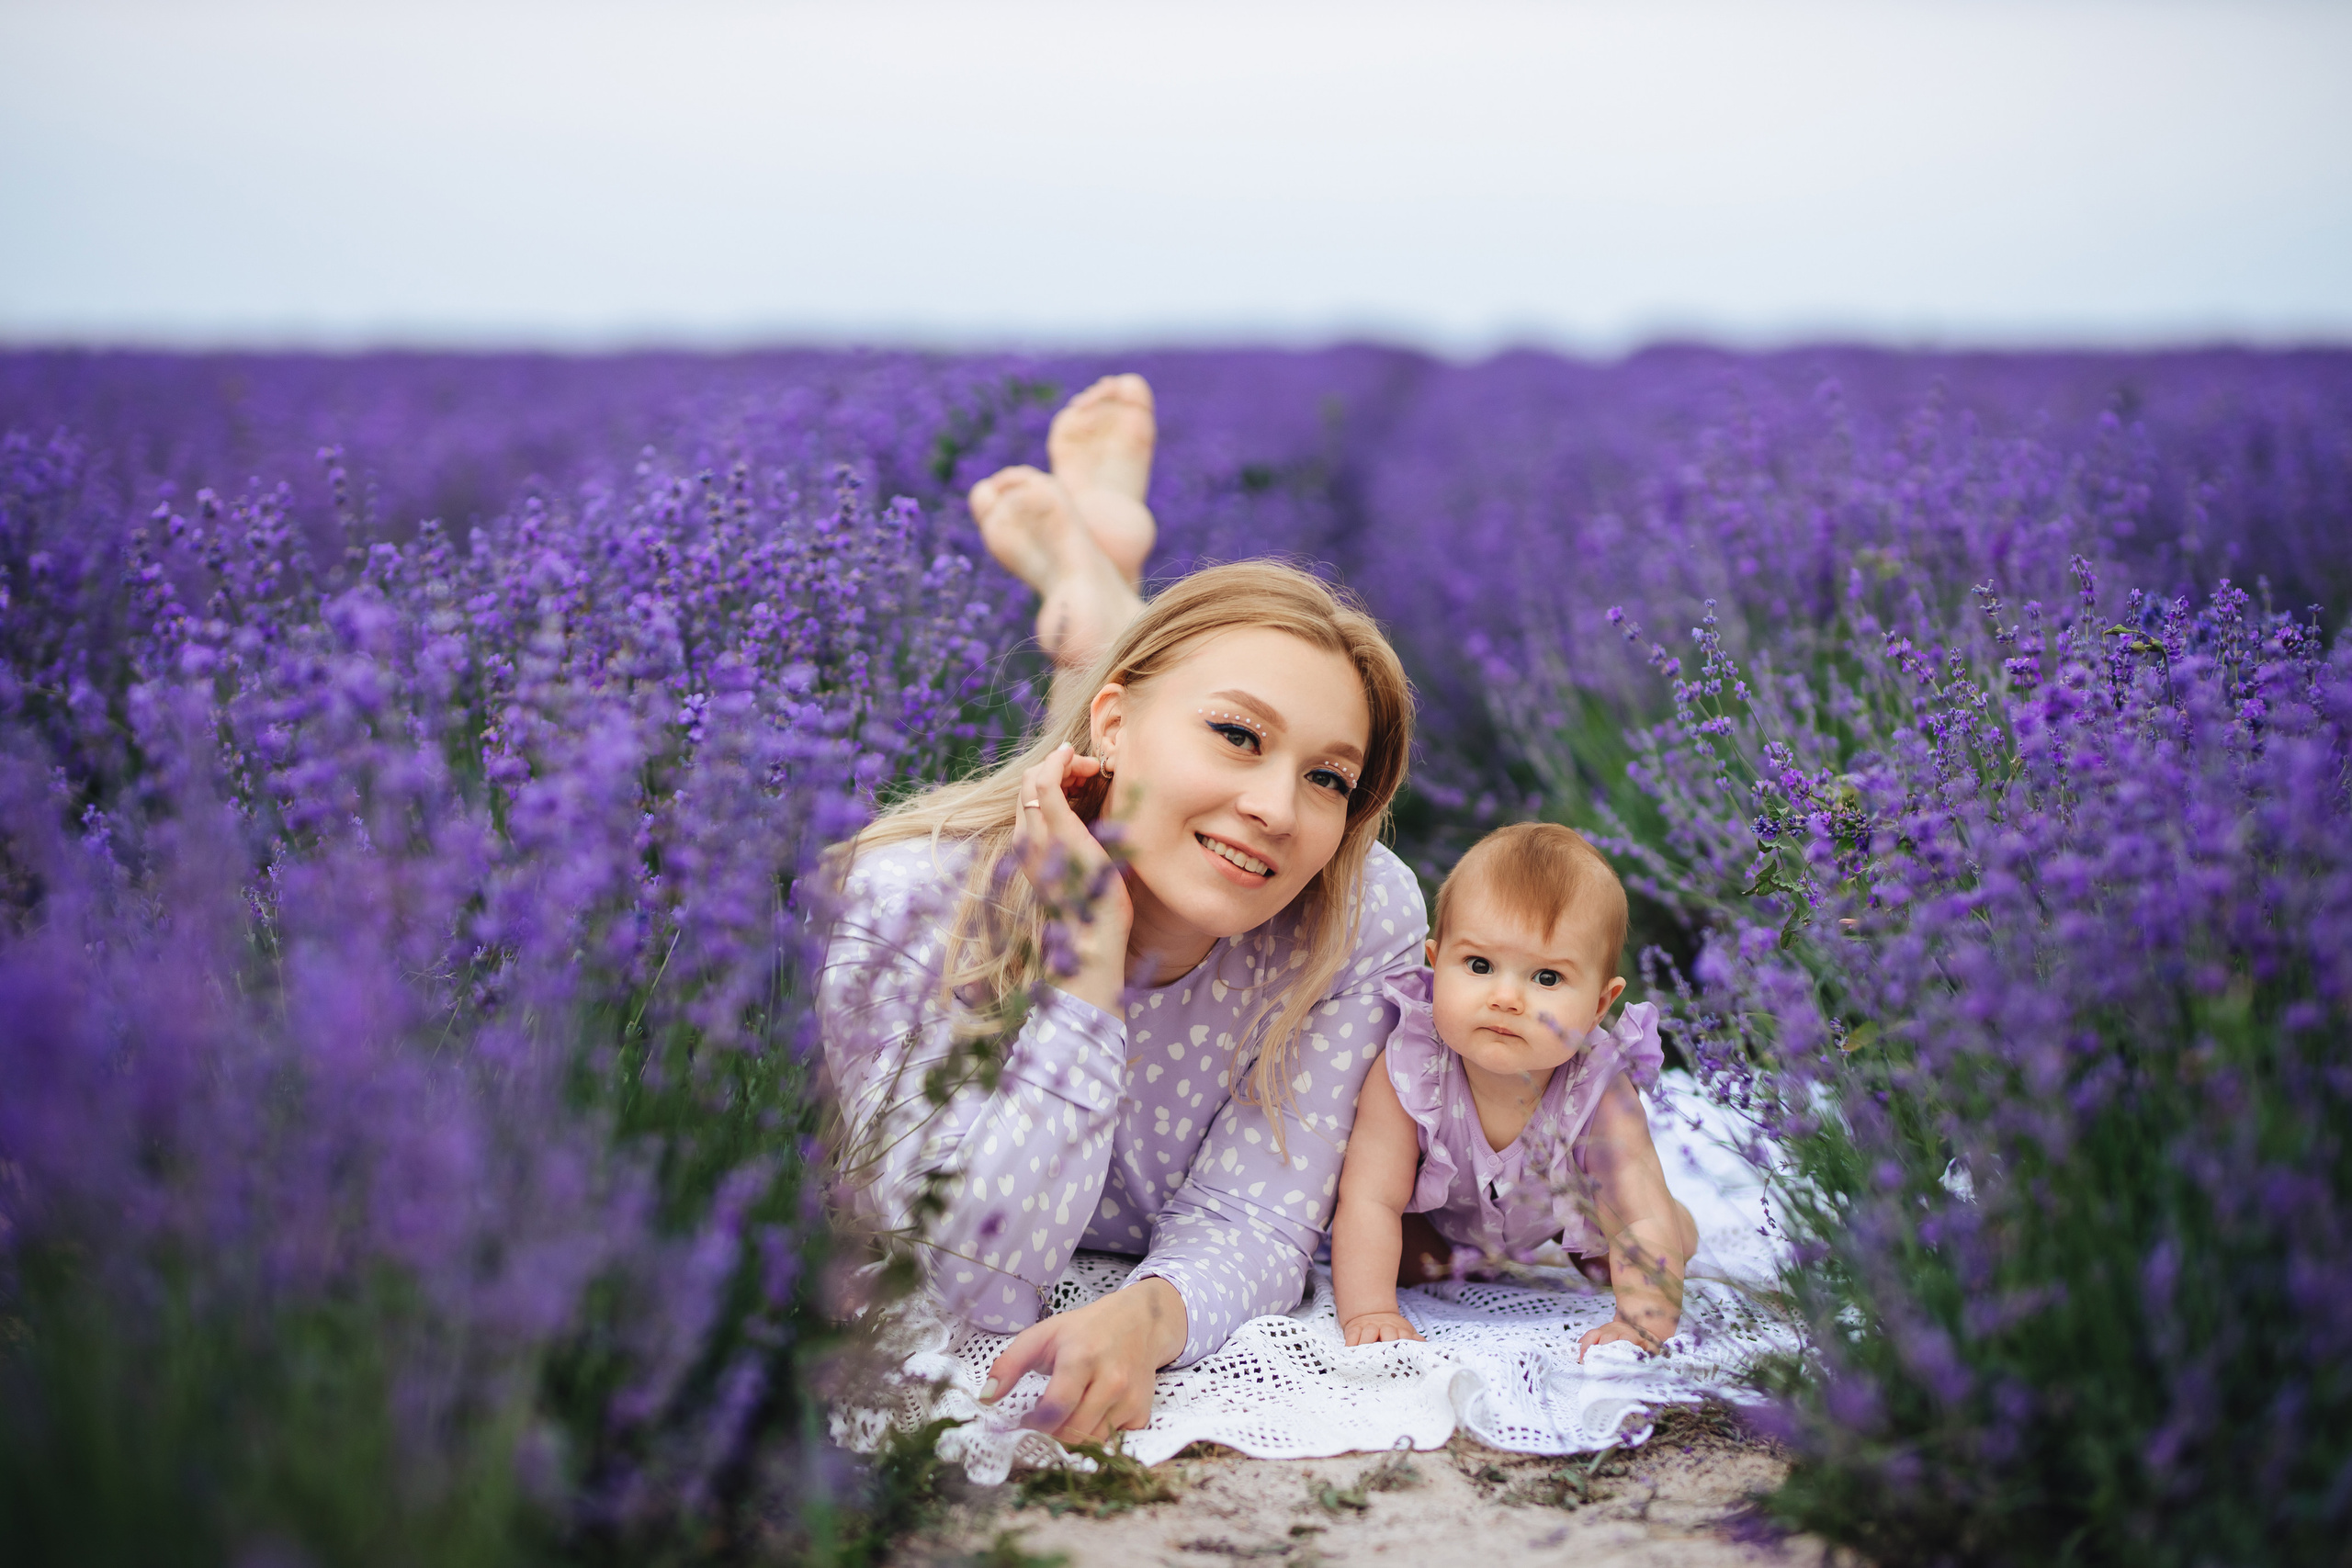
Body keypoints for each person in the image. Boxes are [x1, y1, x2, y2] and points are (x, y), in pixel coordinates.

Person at [820, 375, 1425, 1448]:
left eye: (1331, 778)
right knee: (1138, 797)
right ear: (1113, 717)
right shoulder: (913, 898)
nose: (1280, 810)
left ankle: (1099, 597)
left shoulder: (1356, 908)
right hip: (1070, 808)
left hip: (1127, 748)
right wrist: (1085, 973)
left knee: (1156, 801)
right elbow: (970, 1279)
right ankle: (1099, 604)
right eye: (1239, 734)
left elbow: (1260, 1213)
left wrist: (1151, 1316)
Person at [1328, 822, 1700, 1359]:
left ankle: (1681, 1223)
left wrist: (1641, 1323)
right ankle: (1461, 1262)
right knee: (1400, 1261)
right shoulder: (1410, 1069)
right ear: (1435, 966)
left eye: (1546, 978)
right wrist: (1371, 1312)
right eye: (1479, 966)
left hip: (1568, 1215)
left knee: (1616, 1248)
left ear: (1600, 1003)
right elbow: (1369, 1197)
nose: (1505, 997)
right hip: (1442, 1224)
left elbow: (1636, 1214)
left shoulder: (1598, 1090)